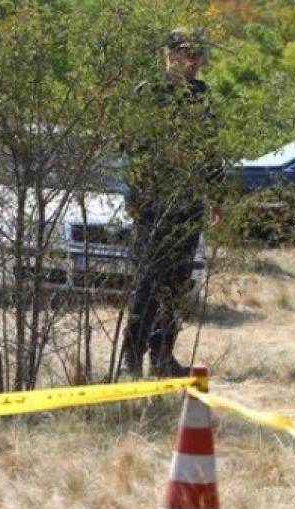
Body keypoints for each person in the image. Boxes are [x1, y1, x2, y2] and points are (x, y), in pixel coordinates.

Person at [119, 28, 222, 378]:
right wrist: (162, 151)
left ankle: (162, 354)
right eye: (185, 53)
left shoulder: (202, 95)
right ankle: (131, 356)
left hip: (189, 203)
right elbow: (129, 145)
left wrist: (216, 195)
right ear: (169, 55)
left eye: (197, 54)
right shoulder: (148, 93)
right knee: (149, 281)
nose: (193, 60)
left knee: (177, 284)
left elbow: (211, 150)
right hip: (154, 203)